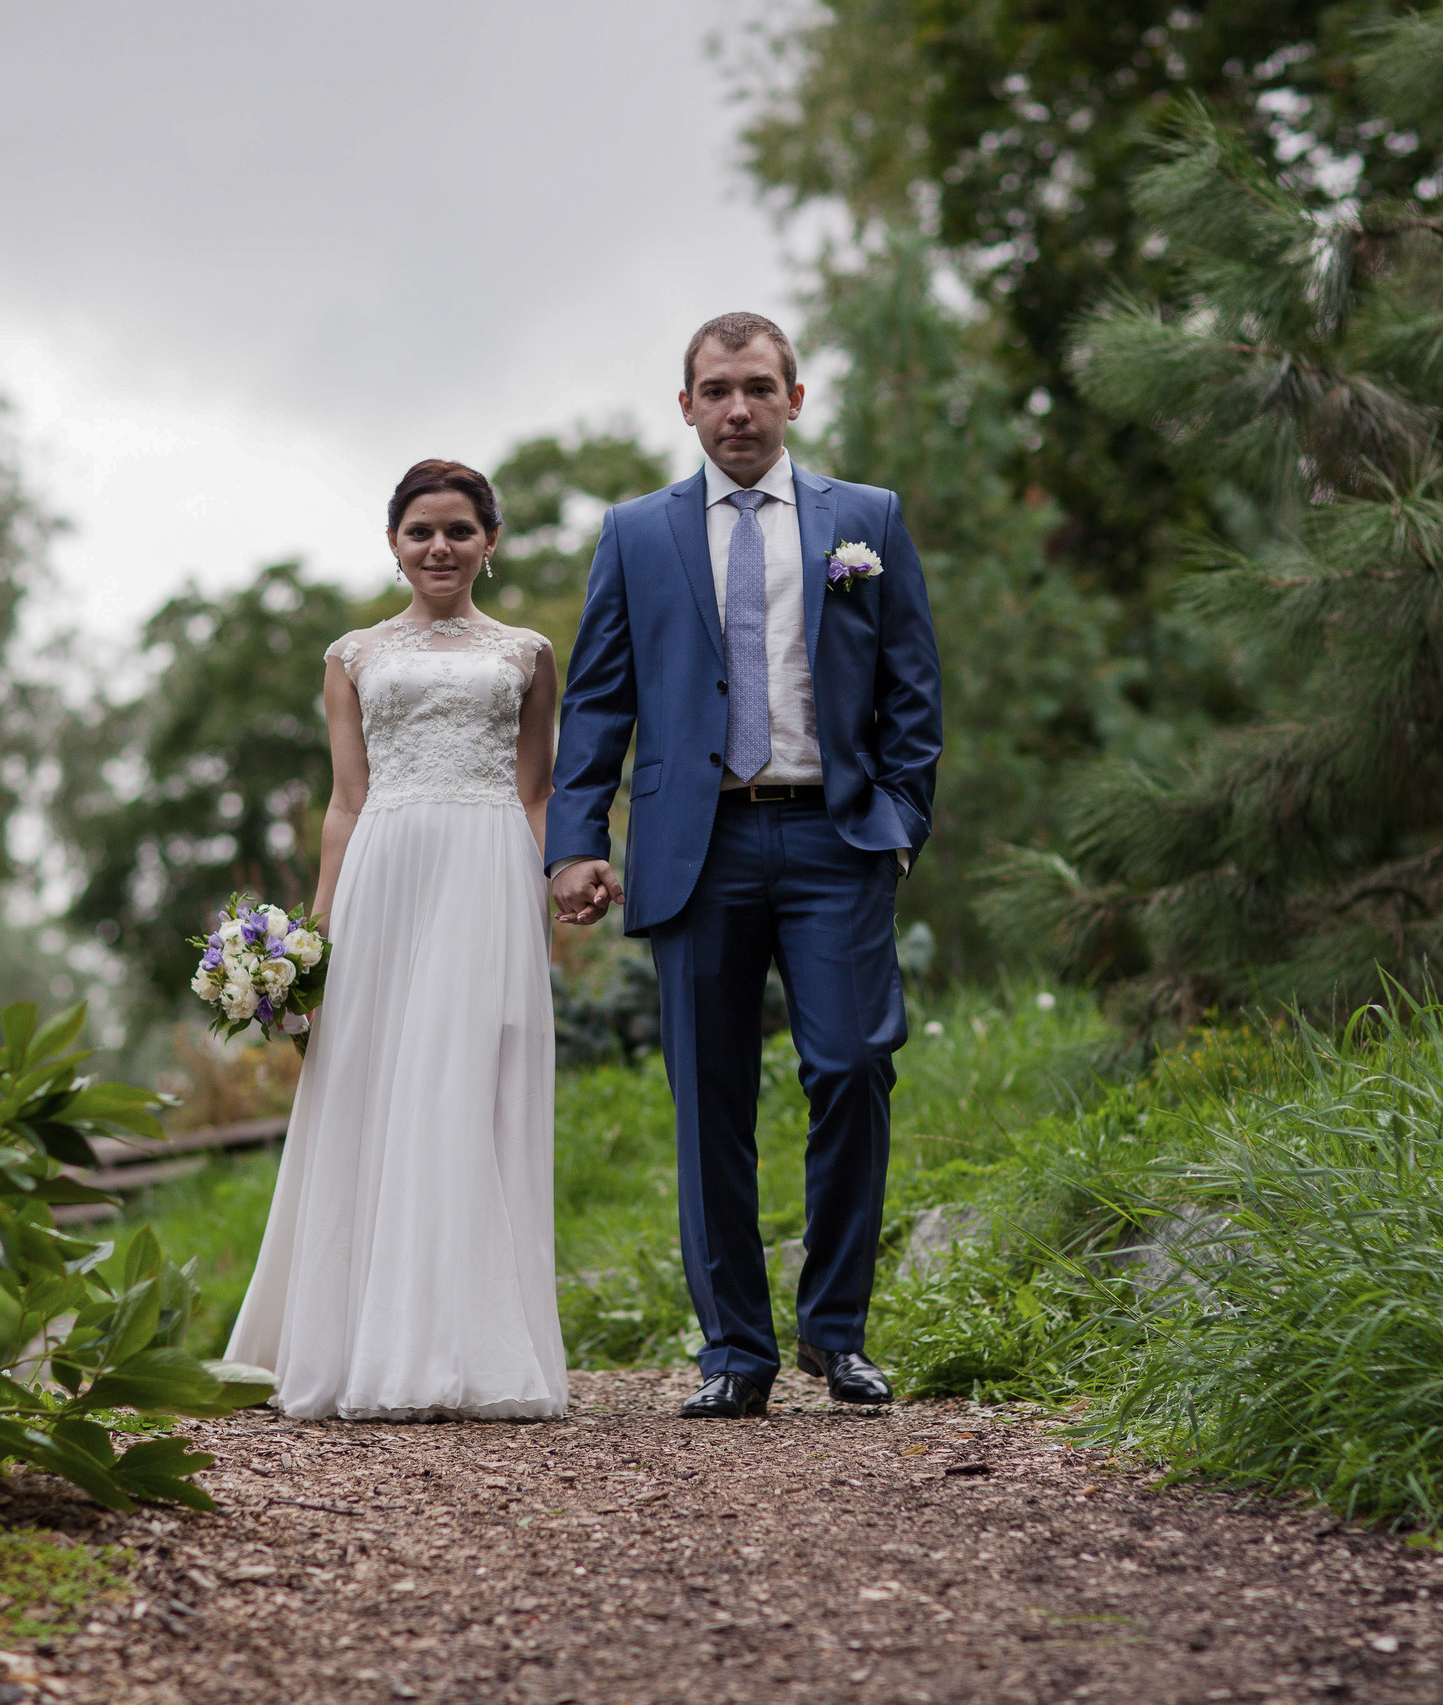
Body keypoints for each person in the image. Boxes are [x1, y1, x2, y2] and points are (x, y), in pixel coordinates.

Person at [546, 312, 943, 1419]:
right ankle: (735, 1352)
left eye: (757, 387)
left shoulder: (866, 520)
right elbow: (598, 699)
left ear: (795, 399)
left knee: (855, 1066)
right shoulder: (635, 533)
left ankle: (836, 1333)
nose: (737, 409)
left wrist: (901, 815)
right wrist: (576, 840)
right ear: (684, 406)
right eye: (715, 390)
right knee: (708, 1098)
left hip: (836, 837)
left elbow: (912, 681)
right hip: (696, 847)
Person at [224, 459, 567, 1421]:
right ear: (393, 544)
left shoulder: (529, 655)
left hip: (488, 864)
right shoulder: (352, 656)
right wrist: (315, 937)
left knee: (464, 1080)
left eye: (460, 530)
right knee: (374, 1083)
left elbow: (538, 792)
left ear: (489, 542)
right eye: (421, 532)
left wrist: (552, 885)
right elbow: (344, 798)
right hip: (385, 871)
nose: (440, 548)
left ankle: (465, 1341)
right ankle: (356, 1341)